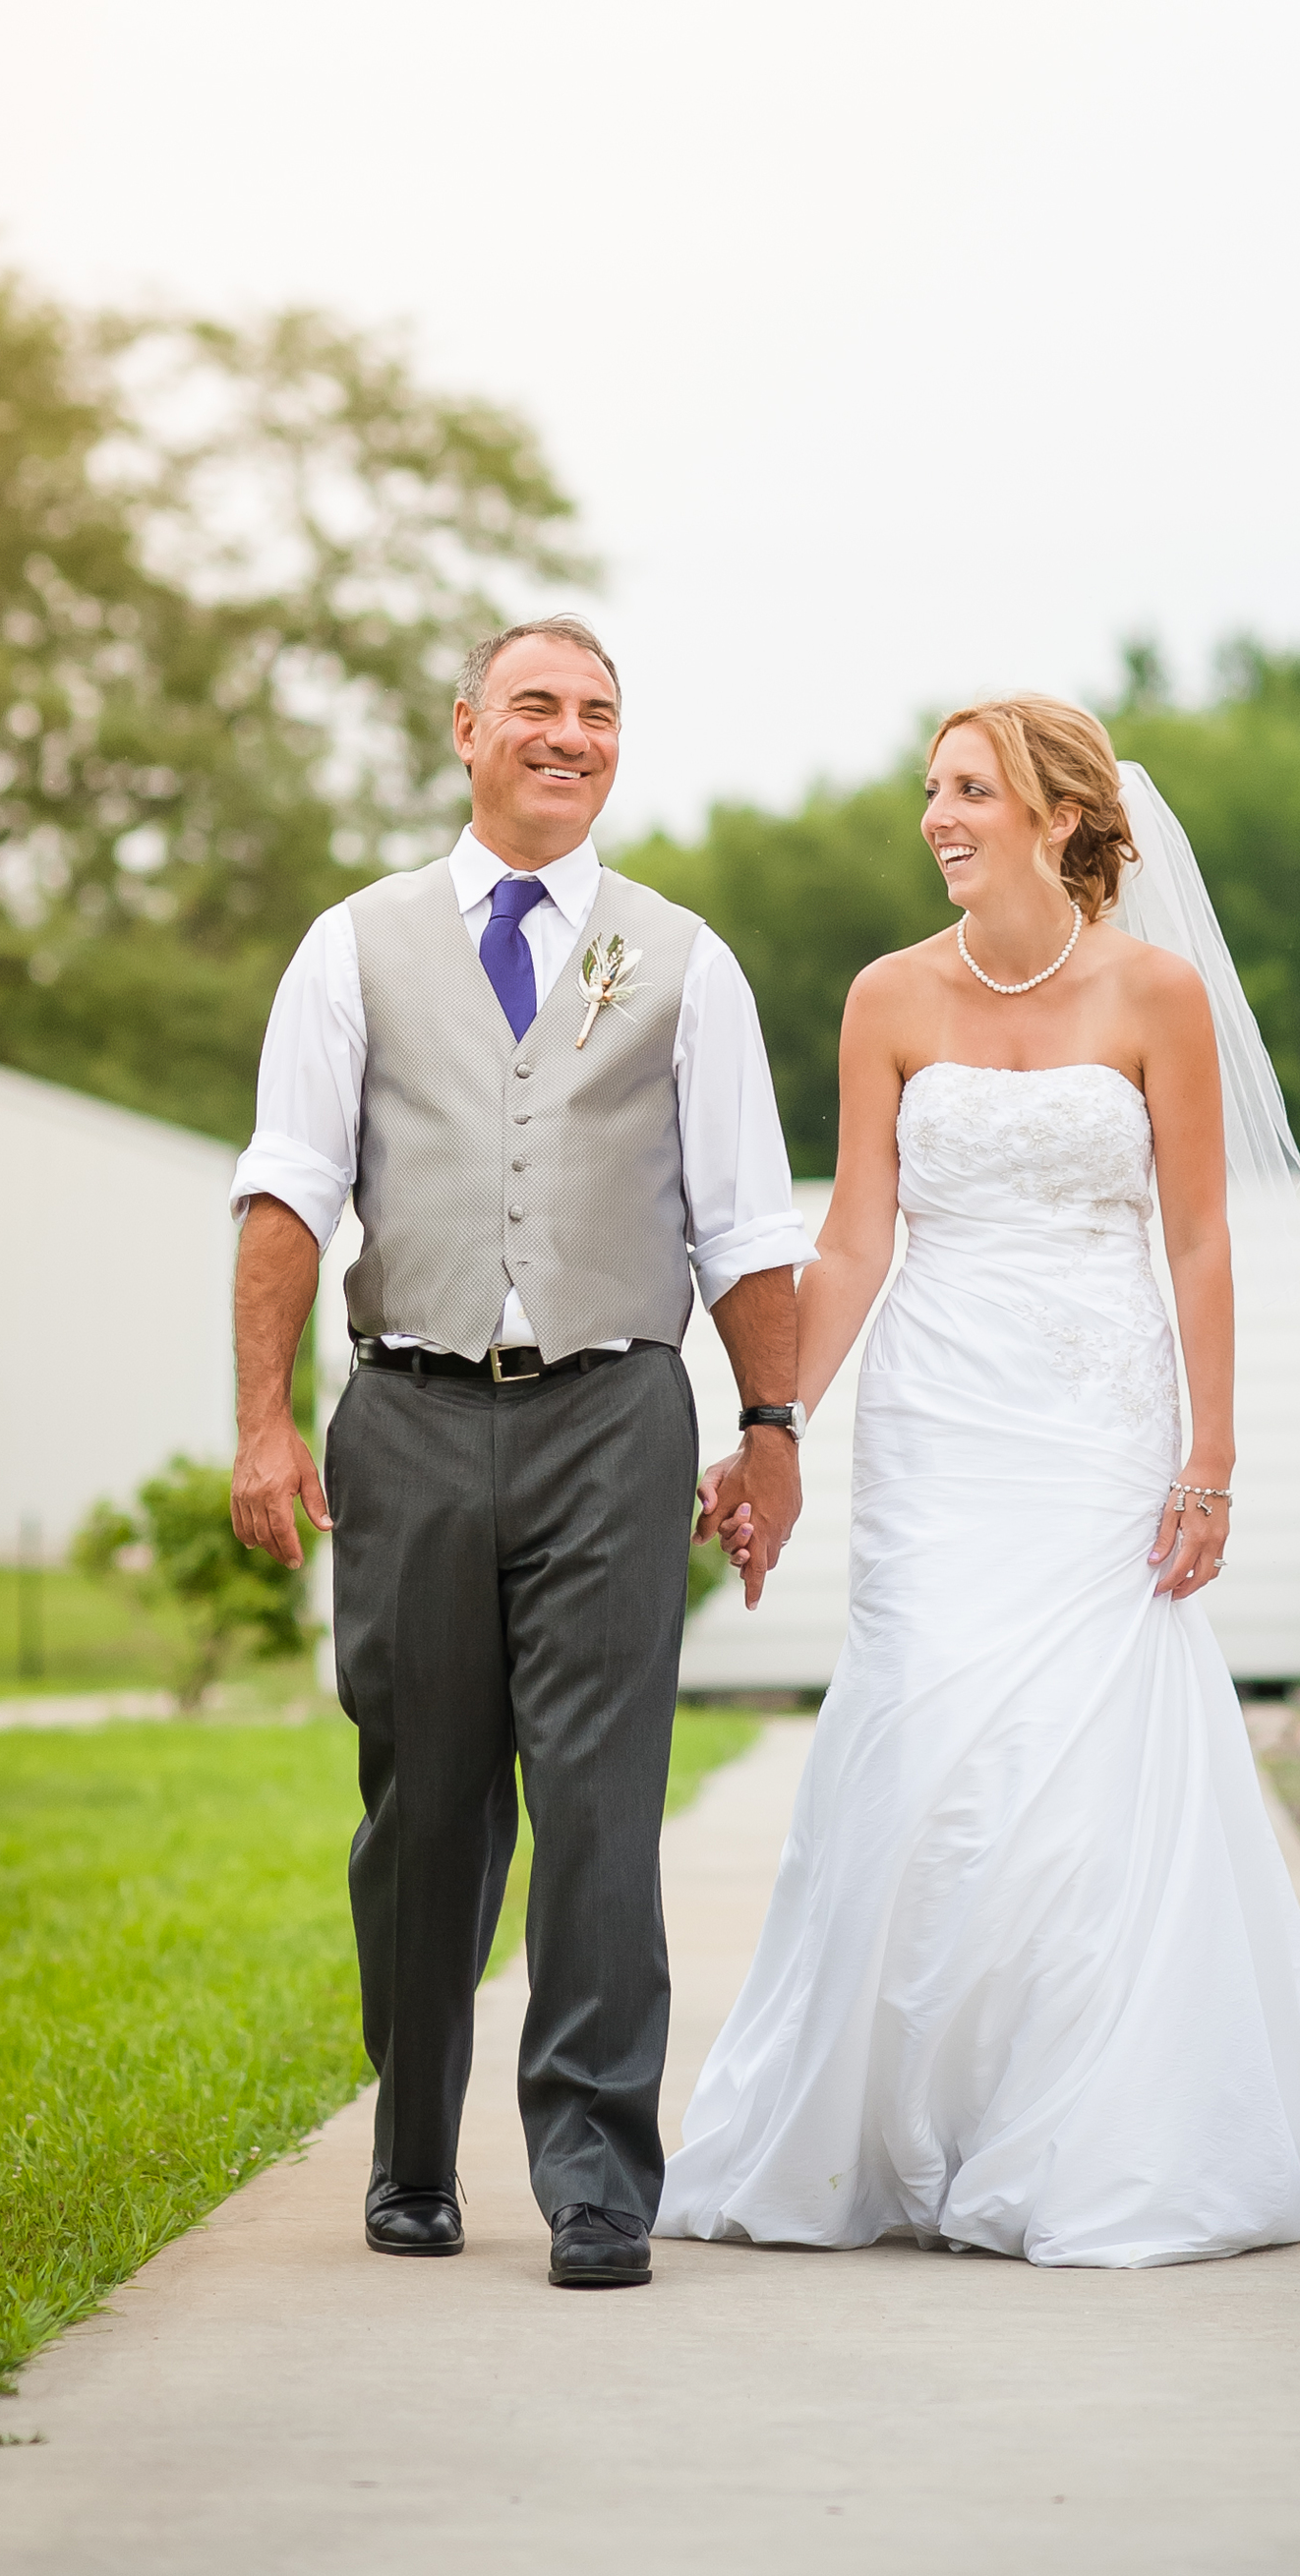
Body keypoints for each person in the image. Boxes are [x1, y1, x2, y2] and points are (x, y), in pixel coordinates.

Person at [658, 693, 1300, 2267]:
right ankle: (894, 2129)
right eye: (933, 789)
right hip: (939, 1423)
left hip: (1099, 1420)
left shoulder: (1157, 995)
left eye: (971, 789)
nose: (938, 816)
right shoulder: (887, 995)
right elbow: (857, 1239)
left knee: (1084, 1764)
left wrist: (1209, 1454)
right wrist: (773, 1421)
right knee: (925, 1738)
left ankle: (1089, 2124)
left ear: (1062, 817)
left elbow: (1198, 1236)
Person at [226, 617, 808, 2289]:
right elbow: (286, 1187)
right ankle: (412, 2153)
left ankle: (596, 2177)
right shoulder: (353, 945)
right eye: (538, 706)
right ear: (468, 726)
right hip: (405, 1413)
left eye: (600, 712)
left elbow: (747, 1220)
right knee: (422, 1798)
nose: (571, 733)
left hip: (613, 1410)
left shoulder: (684, 959)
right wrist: (263, 1419)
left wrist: (766, 1430)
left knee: (603, 1802)